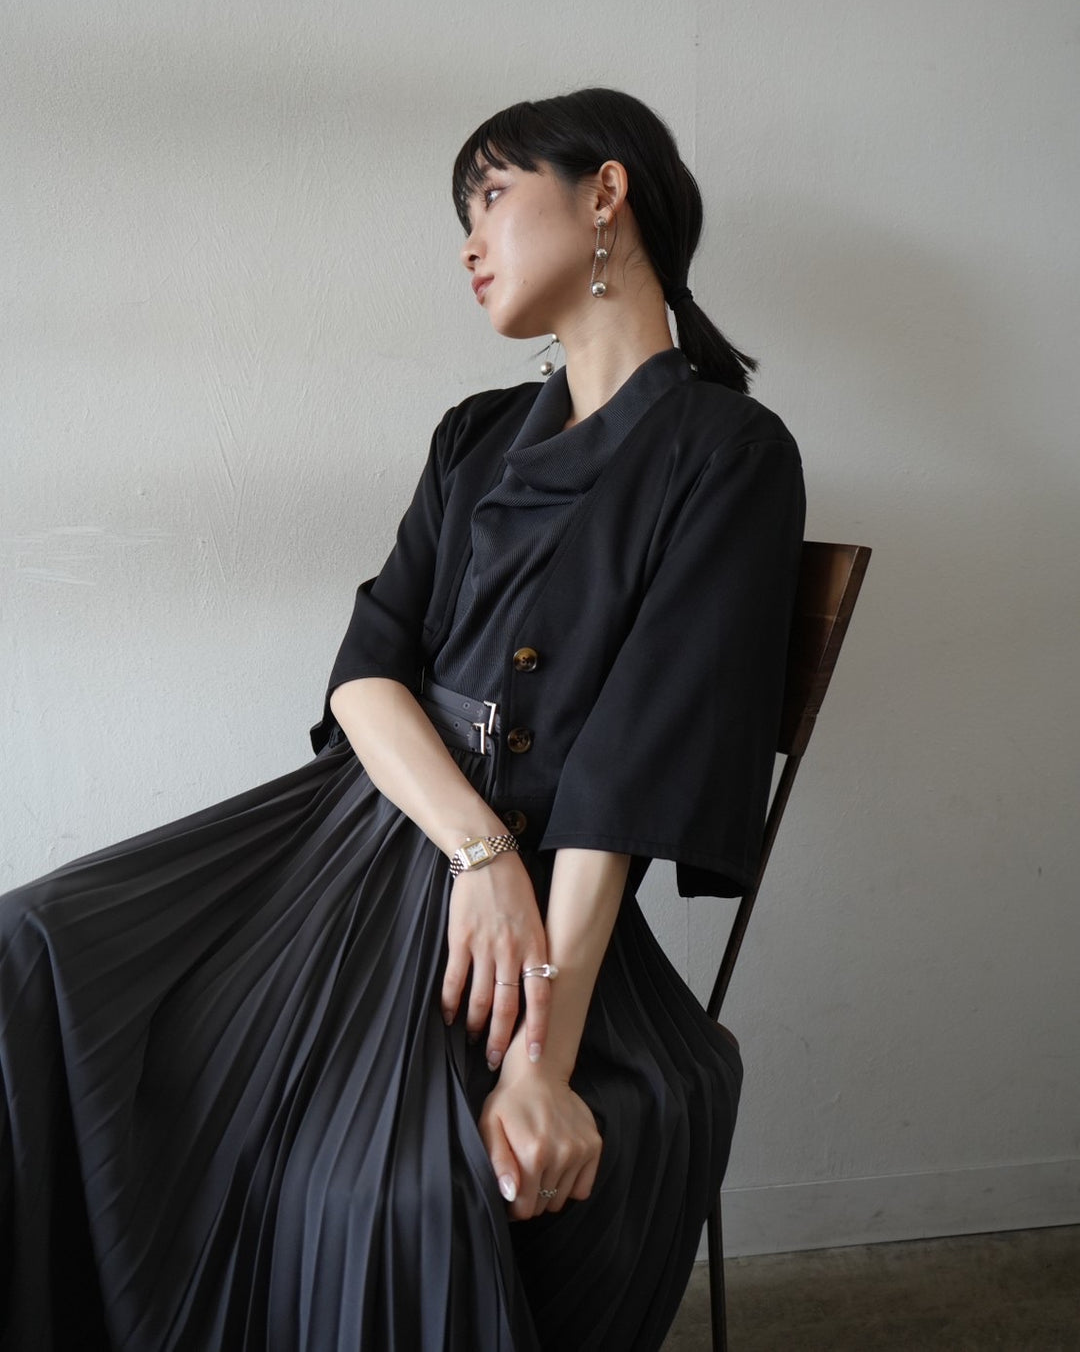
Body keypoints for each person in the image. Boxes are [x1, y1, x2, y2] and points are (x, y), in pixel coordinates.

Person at [0, 87, 806, 1351]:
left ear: (605, 193)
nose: (469, 243)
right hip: (360, 837)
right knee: (33, 949)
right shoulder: (475, 435)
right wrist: (478, 852)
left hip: (550, 897)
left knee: (383, 1191)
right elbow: (366, 674)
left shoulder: (728, 451)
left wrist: (539, 1061)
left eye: (491, 197)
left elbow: (631, 770)